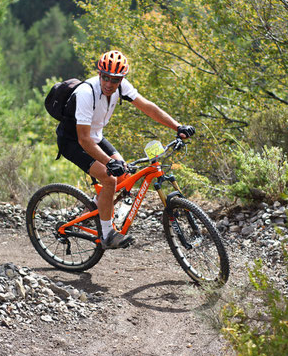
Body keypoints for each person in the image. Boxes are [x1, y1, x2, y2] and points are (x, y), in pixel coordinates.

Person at [56, 50, 195, 249]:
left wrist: (177, 126)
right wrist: (108, 163)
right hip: (73, 141)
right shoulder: (87, 93)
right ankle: (107, 234)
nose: (109, 84)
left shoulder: (121, 87)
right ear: (99, 73)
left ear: (122, 79)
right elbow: (84, 140)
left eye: (115, 80)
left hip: (96, 137)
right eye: (105, 77)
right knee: (110, 177)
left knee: (124, 174)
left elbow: (148, 107)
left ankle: (97, 207)